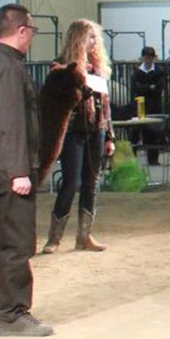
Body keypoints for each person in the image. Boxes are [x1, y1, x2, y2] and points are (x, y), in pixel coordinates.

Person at [0, 3, 52, 336]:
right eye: (31, 31)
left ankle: (1, 312)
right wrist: (19, 170)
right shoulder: (9, 68)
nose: (32, 37)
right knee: (17, 243)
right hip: (9, 169)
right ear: (21, 31)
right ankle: (14, 314)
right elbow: (11, 122)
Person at [42, 19, 112, 255]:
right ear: (78, 39)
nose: (94, 42)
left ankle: (84, 236)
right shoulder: (63, 66)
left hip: (97, 130)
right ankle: (54, 238)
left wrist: (109, 136)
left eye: (95, 38)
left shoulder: (98, 68)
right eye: (89, 37)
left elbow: (105, 105)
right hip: (73, 130)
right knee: (71, 182)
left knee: (91, 184)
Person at [128, 46, 167, 165]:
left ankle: (153, 159)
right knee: (135, 132)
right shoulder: (137, 72)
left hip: (154, 105)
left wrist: (143, 87)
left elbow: (159, 89)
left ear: (154, 58)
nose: (148, 59)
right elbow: (134, 88)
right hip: (139, 105)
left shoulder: (160, 71)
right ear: (143, 58)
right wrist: (150, 87)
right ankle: (131, 159)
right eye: (146, 57)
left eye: (150, 57)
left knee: (153, 133)